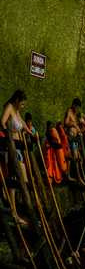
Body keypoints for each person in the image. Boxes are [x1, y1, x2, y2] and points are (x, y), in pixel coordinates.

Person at [1, 90, 30, 226]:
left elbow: (22, 123)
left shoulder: (17, 111)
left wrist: (30, 132)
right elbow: (2, 122)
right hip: (12, 148)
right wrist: (9, 134)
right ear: (17, 100)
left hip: (18, 149)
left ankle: (16, 211)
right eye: (22, 103)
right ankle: (15, 212)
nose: (23, 106)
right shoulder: (9, 108)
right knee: (18, 179)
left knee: (20, 180)